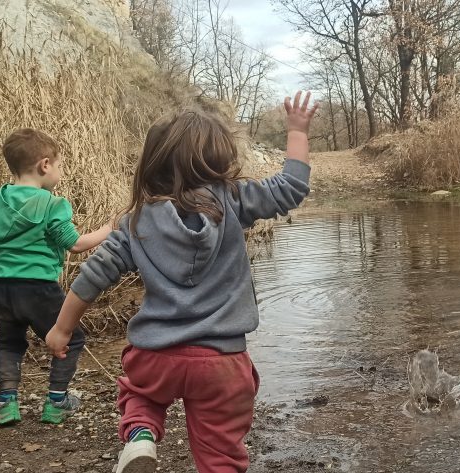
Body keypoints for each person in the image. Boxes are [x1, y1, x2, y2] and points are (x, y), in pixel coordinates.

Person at [44, 91, 318, 473]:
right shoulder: (234, 200)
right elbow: (291, 187)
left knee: (140, 395)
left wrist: (62, 328)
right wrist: (297, 130)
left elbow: (93, 275)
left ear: (154, 165)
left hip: (156, 354)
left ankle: (141, 435)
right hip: (222, 360)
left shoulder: (136, 221)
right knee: (220, 452)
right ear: (218, 159)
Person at [0, 128, 112, 426]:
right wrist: (110, 228)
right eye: (60, 165)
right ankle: (57, 401)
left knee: (9, 342)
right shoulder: (52, 204)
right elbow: (76, 244)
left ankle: (6, 402)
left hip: (0, 288)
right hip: (39, 289)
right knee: (70, 338)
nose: (61, 172)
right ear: (45, 165)